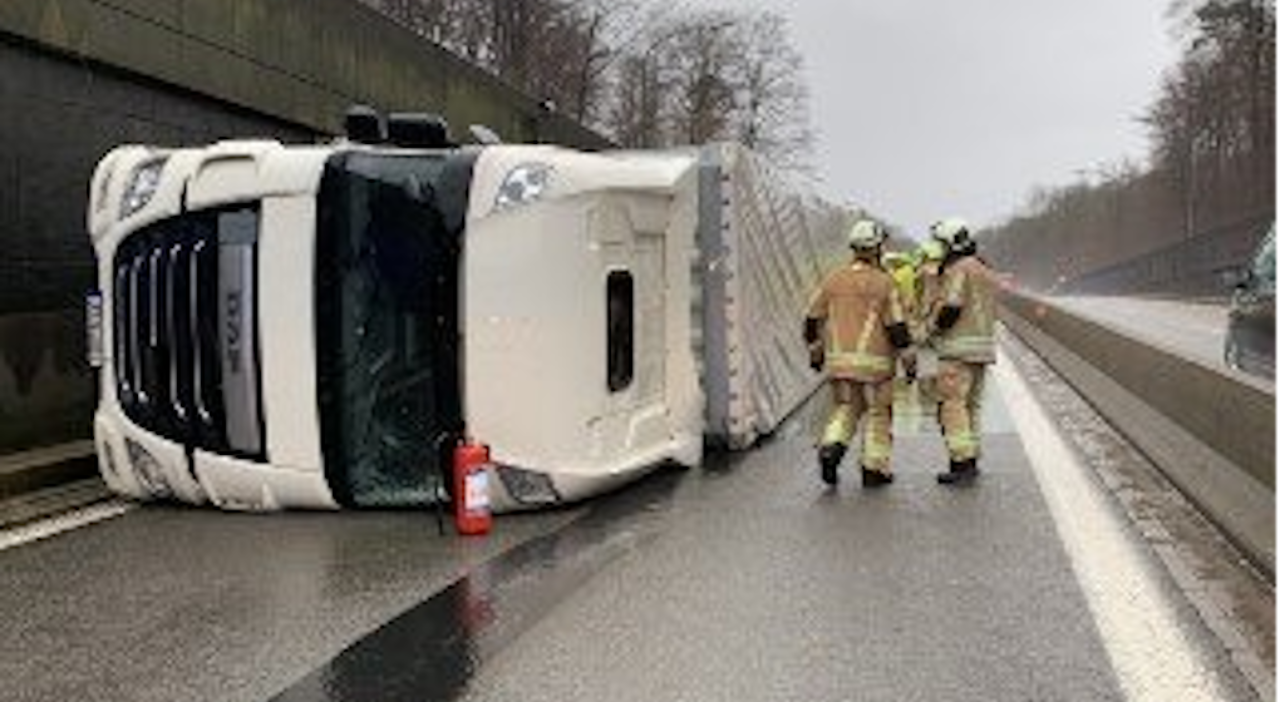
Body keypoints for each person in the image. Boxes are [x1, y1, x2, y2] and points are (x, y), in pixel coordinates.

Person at [804, 219, 915, 489]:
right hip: (876, 366)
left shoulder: (833, 279)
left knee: (845, 408)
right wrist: (909, 359)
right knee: (878, 414)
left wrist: (815, 349)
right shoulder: (885, 283)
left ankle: (830, 447)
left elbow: (811, 318)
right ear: (877, 248)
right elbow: (897, 327)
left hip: (840, 363)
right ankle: (873, 470)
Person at [926, 218, 998, 486]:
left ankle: (962, 462)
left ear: (951, 243)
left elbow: (952, 306)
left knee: (952, 405)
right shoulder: (983, 268)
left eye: (942, 244)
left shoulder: (959, 269)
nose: (940, 250)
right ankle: (972, 457)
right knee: (971, 406)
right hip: (982, 348)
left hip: (958, 349)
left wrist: (934, 328)